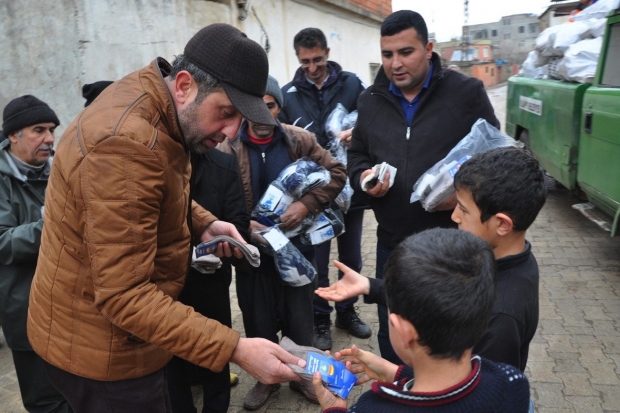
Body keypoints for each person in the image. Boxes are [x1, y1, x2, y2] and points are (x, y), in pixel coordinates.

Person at [27, 24, 306, 413]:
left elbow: (143, 193)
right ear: (185, 85)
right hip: (105, 354)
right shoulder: (124, 144)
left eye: (240, 118)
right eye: (226, 113)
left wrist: (202, 221)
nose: (231, 132)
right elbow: (125, 296)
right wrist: (236, 348)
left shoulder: (157, 101)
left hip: (101, 335)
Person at [346, 10, 499, 364]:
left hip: (451, 245)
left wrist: (461, 197)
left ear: (428, 48)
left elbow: (495, 158)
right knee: (393, 334)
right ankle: (400, 392)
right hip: (392, 244)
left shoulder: (466, 93)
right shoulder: (370, 100)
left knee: (446, 338)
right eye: (387, 55)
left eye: (405, 52)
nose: (395, 64)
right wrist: (365, 179)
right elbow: (356, 154)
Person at [317, 147, 546, 372]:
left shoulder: (501, 318)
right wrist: (369, 286)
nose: (454, 215)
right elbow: (433, 297)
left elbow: (476, 394)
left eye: (464, 210)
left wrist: (402, 383)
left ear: (502, 225)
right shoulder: (493, 257)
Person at [217, 75, 346, 409]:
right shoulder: (227, 145)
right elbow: (217, 199)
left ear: (278, 106)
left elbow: (337, 175)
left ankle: (302, 378)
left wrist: (306, 205)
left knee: (299, 320)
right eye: (253, 106)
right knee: (257, 320)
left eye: (269, 105)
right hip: (252, 254)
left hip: (297, 251)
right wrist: (242, 230)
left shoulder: (299, 140)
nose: (261, 114)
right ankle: (266, 379)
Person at [311, 228, 531, 412]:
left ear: (402, 331)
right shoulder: (511, 382)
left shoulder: (373, 407)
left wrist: (334, 408)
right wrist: (395, 373)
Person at [278, 27, 370, 352]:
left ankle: (346, 311)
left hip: (349, 192)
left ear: (327, 52)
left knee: (352, 258)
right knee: (317, 261)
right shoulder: (288, 94)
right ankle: (320, 319)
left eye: (317, 59)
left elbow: (370, 121)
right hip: (313, 196)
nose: (312, 68)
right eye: (305, 62)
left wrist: (355, 132)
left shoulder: (352, 84)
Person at [165, 147, 249, 413]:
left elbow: (240, 221)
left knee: (216, 353)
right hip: (165, 288)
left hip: (210, 281)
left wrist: (226, 244)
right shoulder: (156, 161)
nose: (226, 132)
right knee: (170, 360)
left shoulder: (223, 163)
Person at [1, 95, 71, 412]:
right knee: (47, 400)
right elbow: (2, 241)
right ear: (13, 135)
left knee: (76, 391)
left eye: (52, 130)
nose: (49, 139)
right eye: (38, 130)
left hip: (68, 309)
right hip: (25, 310)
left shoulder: (55, 172)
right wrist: (53, 226)